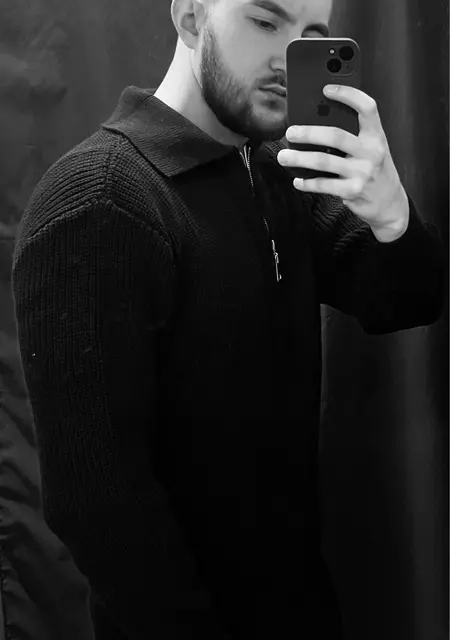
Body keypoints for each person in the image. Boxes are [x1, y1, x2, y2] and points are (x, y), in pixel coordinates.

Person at [11, 0, 445, 638]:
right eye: (265, 22)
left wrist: (391, 215)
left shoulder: (277, 172)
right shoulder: (98, 201)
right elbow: (99, 509)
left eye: (311, 36)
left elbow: (407, 300)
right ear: (191, 18)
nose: (288, 59)